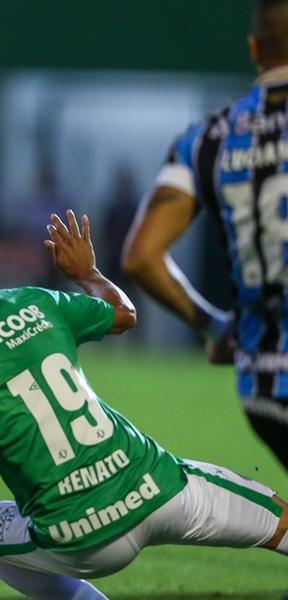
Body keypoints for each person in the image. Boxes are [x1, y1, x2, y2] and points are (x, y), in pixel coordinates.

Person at [0, 212, 288, 598]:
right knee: (279, 521)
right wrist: (86, 273)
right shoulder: (32, 303)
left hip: (78, 540)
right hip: (155, 489)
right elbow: (124, 314)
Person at [124, 0, 288, 471]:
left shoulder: (206, 138)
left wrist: (215, 327)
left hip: (262, 389)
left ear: (255, 48)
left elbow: (141, 256)